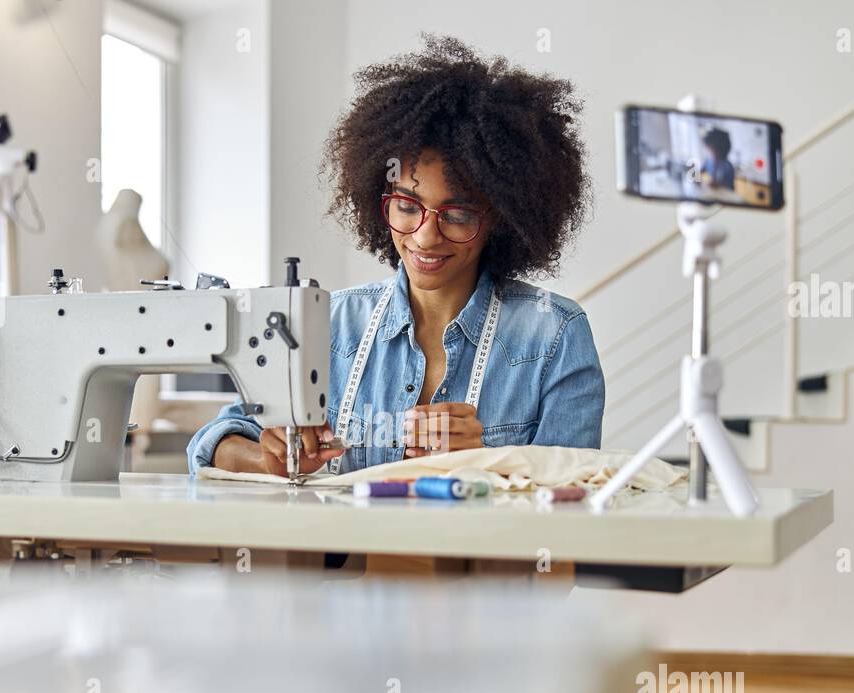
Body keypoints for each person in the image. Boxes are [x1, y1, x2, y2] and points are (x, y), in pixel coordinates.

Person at [187, 35, 605, 477]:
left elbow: (577, 493)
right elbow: (214, 443)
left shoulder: (554, 335)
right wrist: (270, 458)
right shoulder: (329, 324)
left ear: (501, 217)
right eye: (407, 205)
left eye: (458, 213)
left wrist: (492, 462)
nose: (425, 237)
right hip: (349, 550)